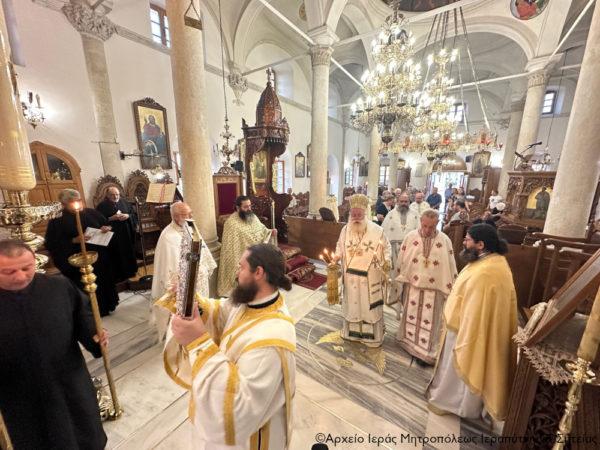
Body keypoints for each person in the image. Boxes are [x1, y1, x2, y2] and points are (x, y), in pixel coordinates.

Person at [165, 243, 296, 449]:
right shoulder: (252, 300)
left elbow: (235, 411)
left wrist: (197, 342)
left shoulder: (271, 340)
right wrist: (195, 305)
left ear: (258, 272)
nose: (237, 272)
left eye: (241, 267)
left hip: (250, 440)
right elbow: (223, 311)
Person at [0, 240, 108, 449]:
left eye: (26, 268)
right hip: (17, 392)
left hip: (68, 380)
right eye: (8, 272)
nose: (20, 276)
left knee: (83, 435)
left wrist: (94, 335)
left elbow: (82, 317)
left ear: (35, 261)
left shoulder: (58, 286)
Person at [427, 224, 518, 423]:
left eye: (467, 239)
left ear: (480, 244)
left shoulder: (489, 271)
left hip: (470, 331)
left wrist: (466, 331)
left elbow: (478, 309)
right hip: (463, 323)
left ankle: (458, 404)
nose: (464, 242)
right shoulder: (487, 260)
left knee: (466, 364)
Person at [391, 209, 457, 365]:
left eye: (431, 227)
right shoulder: (410, 237)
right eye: (425, 226)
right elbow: (402, 260)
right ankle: (407, 342)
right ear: (420, 222)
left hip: (435, 290)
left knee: (430, 320)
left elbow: (449, 264)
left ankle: (427, 352)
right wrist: (399, 280)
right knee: (411, 313)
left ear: (437, 224)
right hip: (413, 286)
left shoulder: (444, 240)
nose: (427, 230)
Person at [45, 189, 119, 316]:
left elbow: (107, 224)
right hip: (77, 260)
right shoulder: (56, 220)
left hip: (98, 257)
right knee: (82, 286)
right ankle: (88, 312)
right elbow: (52, 243)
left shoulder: (91, 213)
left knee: (101, 281)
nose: (78, 204)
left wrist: (106, 228)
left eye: (79, 200)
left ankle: (105, 307)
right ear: (64, 204)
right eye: (72, 202)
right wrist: (74, 240)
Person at [151, 202, 216, 340]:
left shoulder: (190, 227)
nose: (191, 216)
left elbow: (202, 249)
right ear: (176, 217)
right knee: (187, 314)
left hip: (200, 280)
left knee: (202, 308)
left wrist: (204, 267)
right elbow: (169, 266)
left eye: (191, 213)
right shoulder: (167, 236)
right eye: (187, 214)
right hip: (185, 285)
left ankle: (202, 326)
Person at [334, 194, 391, 347]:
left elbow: (386, 247)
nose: (356, 218)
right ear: (350, 214)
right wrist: (336, 258)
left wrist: (387, 261)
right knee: (353, 304)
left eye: (359, 215)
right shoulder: (345, 230)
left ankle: (372, 337)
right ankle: (352, 334)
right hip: (351, 276)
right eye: (354, 215)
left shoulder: (377, 230)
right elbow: (340, 246)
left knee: (368, 305)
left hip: (370, 275)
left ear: (365, 214)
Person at [217, 196, 276, 297]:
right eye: (245, 207)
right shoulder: (231, 224)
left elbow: (261, 229)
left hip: (258, 254)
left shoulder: (252, 217)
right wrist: (236, 267)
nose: (249, 209)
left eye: (249, 206)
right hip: (243, 258)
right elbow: (230, 249)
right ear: (238, 208)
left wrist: (270, 232)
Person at [96, 185, 138, 282]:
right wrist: (111, 218)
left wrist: (128, 216)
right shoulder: (101, 206)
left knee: (128, 252)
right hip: (113, 237)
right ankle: (118, 276)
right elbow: (98, 221)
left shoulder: (125, 203)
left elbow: (134, 215)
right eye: (113, 195)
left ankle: (130, 272)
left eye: (117, 194)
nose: (115, 197)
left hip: (126, 234)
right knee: (116, 255)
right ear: (107, 195)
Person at [381, 193, 420, 267]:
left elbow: (419, 229)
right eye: (401, 201)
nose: (403, 203)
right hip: (394, 246)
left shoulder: (415, 214)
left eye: (406, 201)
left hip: (411, 246)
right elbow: (384, 229)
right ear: (398, 202)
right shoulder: (391, 214)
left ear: (409, 202)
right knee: (396, 267)